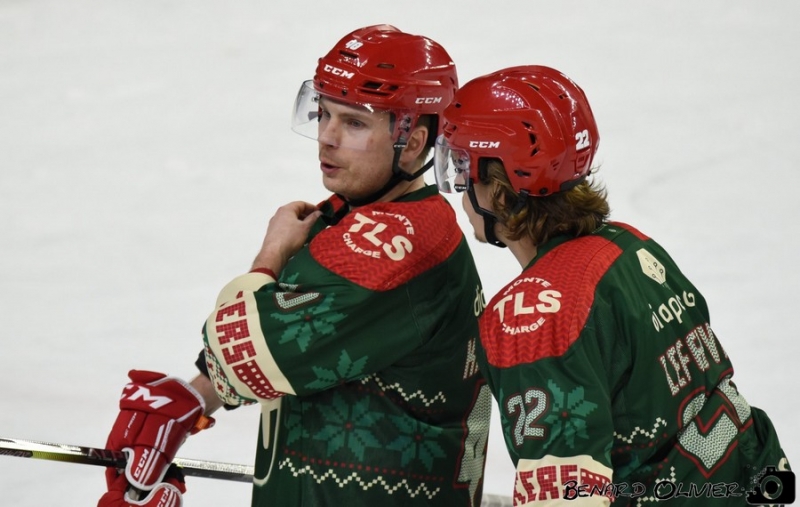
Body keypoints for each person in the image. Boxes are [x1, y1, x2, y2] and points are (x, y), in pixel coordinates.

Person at [97, 25, 491, 507]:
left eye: (354, 123)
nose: (326, 138)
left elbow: (245, 351)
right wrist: (196, 396)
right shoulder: (359, 218)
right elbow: (301, 346)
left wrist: (270, 257)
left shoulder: (396, 244)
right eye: (324, 113)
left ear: (411, 143)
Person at [432, 65, 791, 506]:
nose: (457, 185)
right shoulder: (632, 247)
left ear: (502, 191)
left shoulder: (532, 316)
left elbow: (567, 498)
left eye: (463, 166)